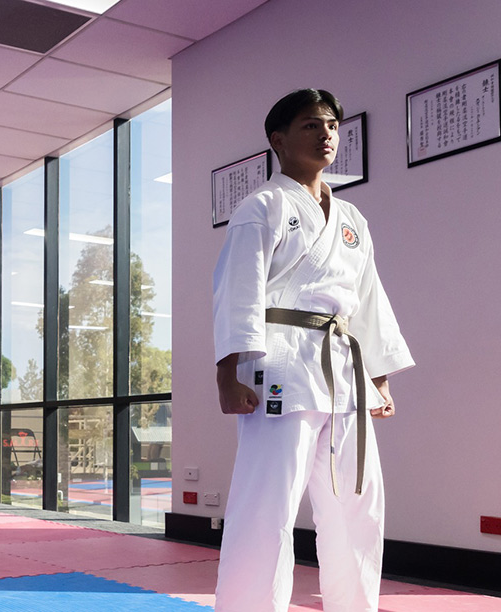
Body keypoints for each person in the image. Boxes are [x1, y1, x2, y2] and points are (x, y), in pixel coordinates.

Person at [211, 89, 415, 612]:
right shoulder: (262, 206)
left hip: (344, 370)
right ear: (278, 140)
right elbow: (239, 287)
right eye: (310, 125)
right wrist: (226, 373)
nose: (326, 133)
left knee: (357, 503)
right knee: (267, 505)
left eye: (331, 125)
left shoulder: (351, 218)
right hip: (280, 364)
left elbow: (368, 297)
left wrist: (379, 375)